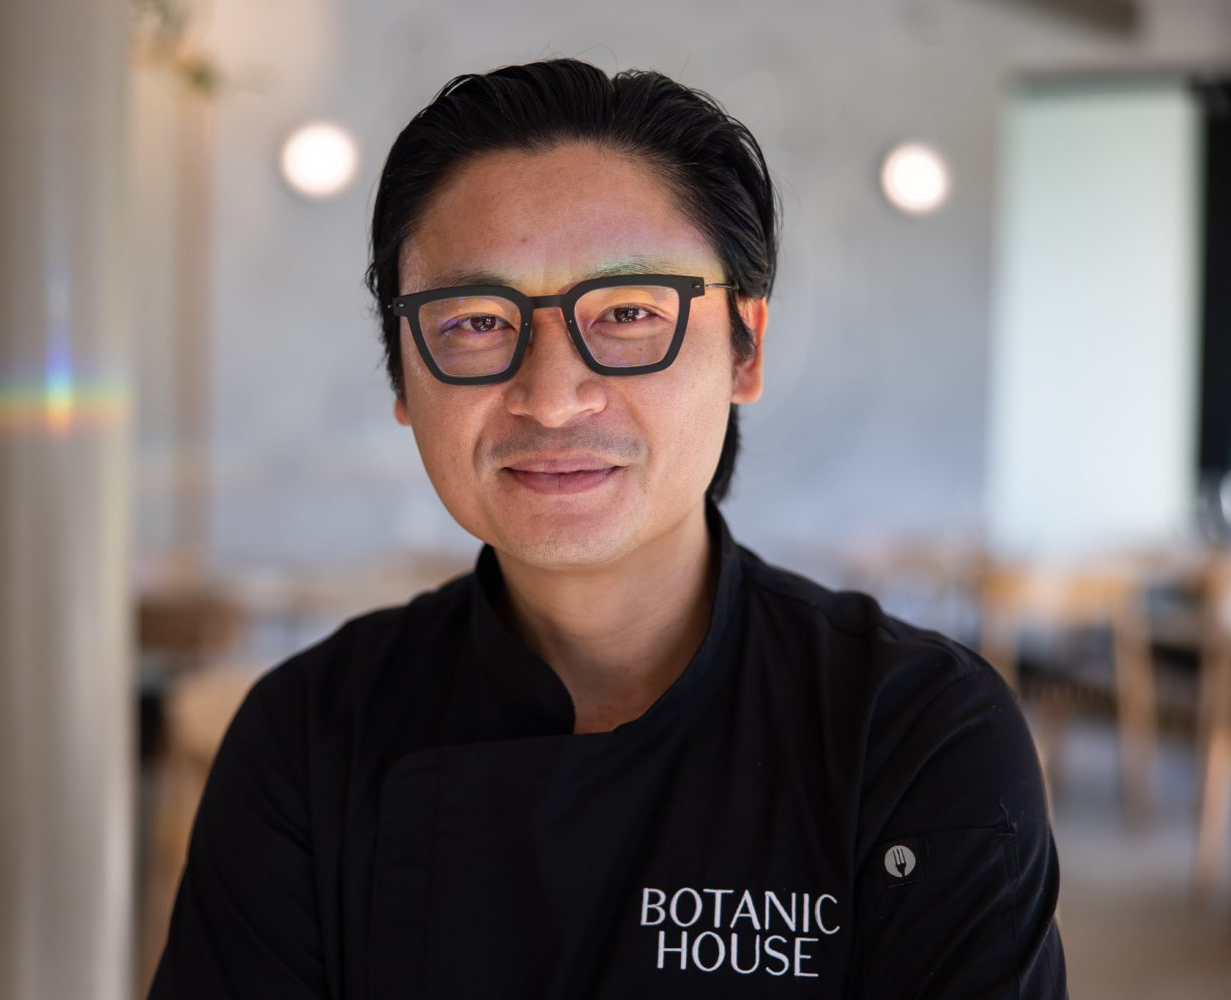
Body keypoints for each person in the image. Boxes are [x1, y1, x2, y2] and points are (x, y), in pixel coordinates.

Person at [149, 58, 1067, 998]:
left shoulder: (913, 734)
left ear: (746, 348)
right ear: (403, 377)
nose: (552, 397)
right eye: (475, 322)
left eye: (629, 312)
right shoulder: (306, 739)